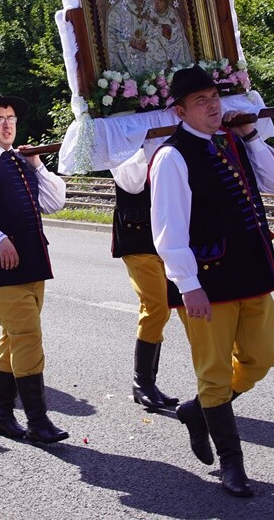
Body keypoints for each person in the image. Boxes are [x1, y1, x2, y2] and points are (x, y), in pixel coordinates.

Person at [150, 65, 274, 497]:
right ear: (180, 111)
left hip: (252, 273)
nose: (212, 107)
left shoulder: (232, 141)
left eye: (214, 98)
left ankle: (198, 411)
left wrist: (251, 135)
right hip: (208, 281)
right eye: (201, 101)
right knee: (213, 372)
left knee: (260, 359)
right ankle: (232, 463)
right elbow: (168, 228)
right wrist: (188, 284)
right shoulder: (172, 156)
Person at [0, 91, 69, 443]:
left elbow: (54, 202)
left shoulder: (20, 160)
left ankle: (3, 415)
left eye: (11, 119)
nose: (7, 125)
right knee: (27, 335)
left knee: (13, 337)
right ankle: (37, 420)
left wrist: (37, 165)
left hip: (32, 261)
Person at [109, 149, 179, 411]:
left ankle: (148, 382)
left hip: (169, 238)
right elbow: (133, 182)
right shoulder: (125, 145)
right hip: (138, 238)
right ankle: (142, 382)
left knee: (163, 309)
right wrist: (149, 144)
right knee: (156, 307)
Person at [147, 0, 192, 70]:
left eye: (161, 0)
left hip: (174, 54)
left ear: (166, 3)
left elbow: (178, 39)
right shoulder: (148, 12)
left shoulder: (172, 15)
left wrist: (166, 32)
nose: (157, 2)